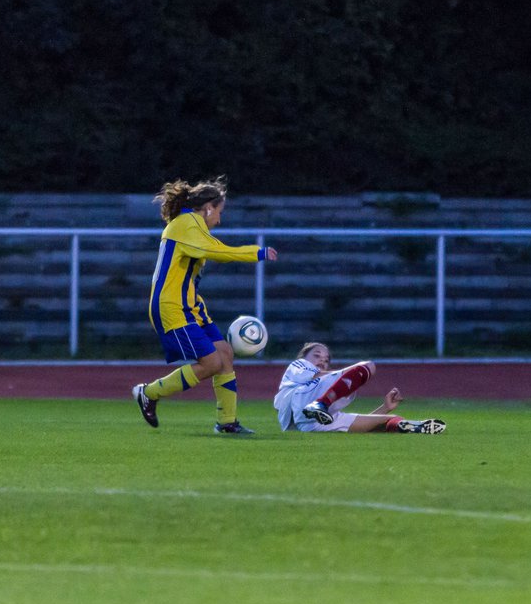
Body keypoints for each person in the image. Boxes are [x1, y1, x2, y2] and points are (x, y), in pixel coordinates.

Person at [132, 176, 278, 434]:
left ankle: (227, 423)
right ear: (208, 207)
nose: (219, 220)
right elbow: (218, 251)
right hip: (171, 307)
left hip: (191, 306)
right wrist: (257, 253)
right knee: (211, 363)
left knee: (225, 354)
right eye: (219, 212)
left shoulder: (192, 225)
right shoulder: (187, 223)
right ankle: (149, 392)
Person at [274, 342, 446, 434]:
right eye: (316, 355)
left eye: (326, 360)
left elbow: (361, 423)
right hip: (306, 402)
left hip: (311, 424)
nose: (322, 361)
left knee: (382, 422)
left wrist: (385, 407)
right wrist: (353, 373)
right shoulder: (299, 366)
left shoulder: (324, 407)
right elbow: (315, 376)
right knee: (368, 367)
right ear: (303, 357)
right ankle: (321, 403)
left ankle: (413, 426)